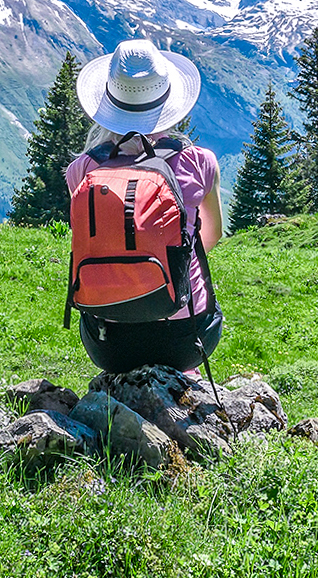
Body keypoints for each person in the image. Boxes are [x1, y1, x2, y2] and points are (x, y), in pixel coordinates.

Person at [64, 38, 224, 374]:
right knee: (204, 301)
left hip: (109, 344)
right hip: (187, 338)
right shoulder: (200, 162)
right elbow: (211, 236)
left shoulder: (82, 170)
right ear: (167, 100)